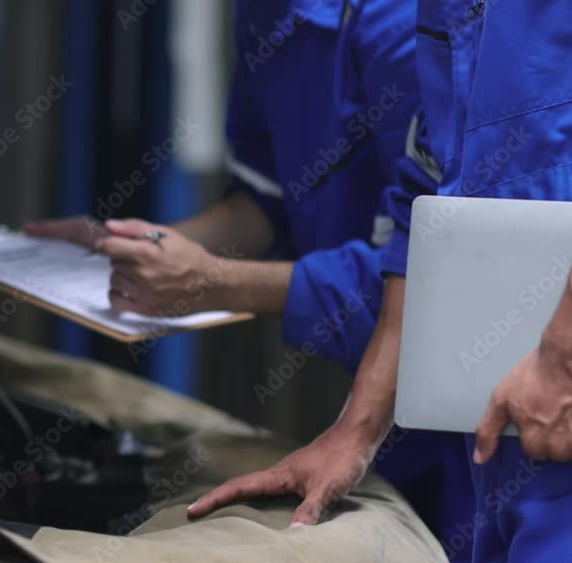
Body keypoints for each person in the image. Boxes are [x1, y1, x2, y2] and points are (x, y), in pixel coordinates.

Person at [27, 0, 472, 556]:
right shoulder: (265, 16)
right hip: (374, 418)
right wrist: (131, 246)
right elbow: (269, 203)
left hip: (467, 422)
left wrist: (214, 282)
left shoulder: (405, 30)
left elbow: (430, 274)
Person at [189, 1, 572, 561]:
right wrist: (354, 432)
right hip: (507, 435)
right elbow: (427, 200)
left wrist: (562, 356)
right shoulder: (445, 12)